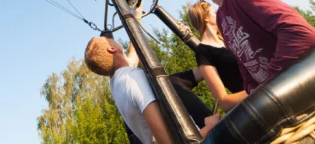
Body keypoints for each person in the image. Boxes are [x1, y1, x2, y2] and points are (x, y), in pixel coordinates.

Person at [188, 0, 315, 94]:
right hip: (283, 94)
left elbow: (300, 33)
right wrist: (251, 87)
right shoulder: (222, 18)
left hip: (307, 86)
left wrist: (270, 83)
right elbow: (242, 61)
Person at [84, 11, 220, 143]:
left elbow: (135, 50)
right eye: (108, 39)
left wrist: (135, 13)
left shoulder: (118, 81)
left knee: (174, 81)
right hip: (201, 139)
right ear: (111, 49)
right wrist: (209, 127)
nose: (111, 39)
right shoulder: (134, 81)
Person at [185, 0, 247, 111]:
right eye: (214, 12)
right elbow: (223, 101)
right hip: (257, 99)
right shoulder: (203, 52)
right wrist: (258, 89)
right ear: (206, 18)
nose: (218, 14)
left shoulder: (227, 37)